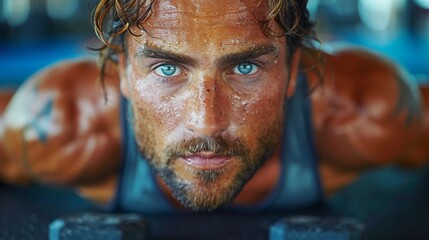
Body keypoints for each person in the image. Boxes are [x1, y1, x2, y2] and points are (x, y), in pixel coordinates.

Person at [0, 0, 428, 214]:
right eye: (167, 68)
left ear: (295, 68)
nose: (206, 122)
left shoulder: (366, 111)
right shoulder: (60, 126)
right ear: (123, 74)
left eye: (245, 67)